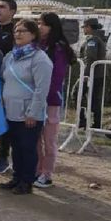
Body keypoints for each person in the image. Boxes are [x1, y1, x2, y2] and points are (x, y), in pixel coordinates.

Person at [0, 19, 52, 195]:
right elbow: (4, 80)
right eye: (16, 30)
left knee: (27, 147)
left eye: (22, 31)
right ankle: (16, 177)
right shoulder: (10, 57)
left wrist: (33, 113)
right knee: (16, 147)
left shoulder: (40, 58)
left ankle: (26, 181)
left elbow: (41, 89)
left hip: (28, 113)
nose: (18, 34)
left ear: (33, 35)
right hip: (11, 110)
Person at [34, 13, 76, 188]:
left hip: (50, 100)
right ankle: (36, 170)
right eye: (38, 23)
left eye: (43, 24)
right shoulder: (36, 45)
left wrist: (44, 94)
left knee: (49, 140)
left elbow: (57, 77)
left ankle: (47, 173)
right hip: (35, 98)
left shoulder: (58, 48)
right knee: (36, 138)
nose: (40, 27)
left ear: (53, 27)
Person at [0, 0, 17, 173]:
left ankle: (3, 156)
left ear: (12, 11)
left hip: (7, 81)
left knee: (5, 119)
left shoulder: (16, 31)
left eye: (2, 7)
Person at [79, 17, 107, 129]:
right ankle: (96, 123)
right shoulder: (98, 38)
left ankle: (83, 120)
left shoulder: (92, 40)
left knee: (76, 94)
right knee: (95, 99)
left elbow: (90, 58)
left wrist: (85, 75)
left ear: (89, 27)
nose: (83, 29)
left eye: (85, 27)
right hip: (97, 74)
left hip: (92, 74)